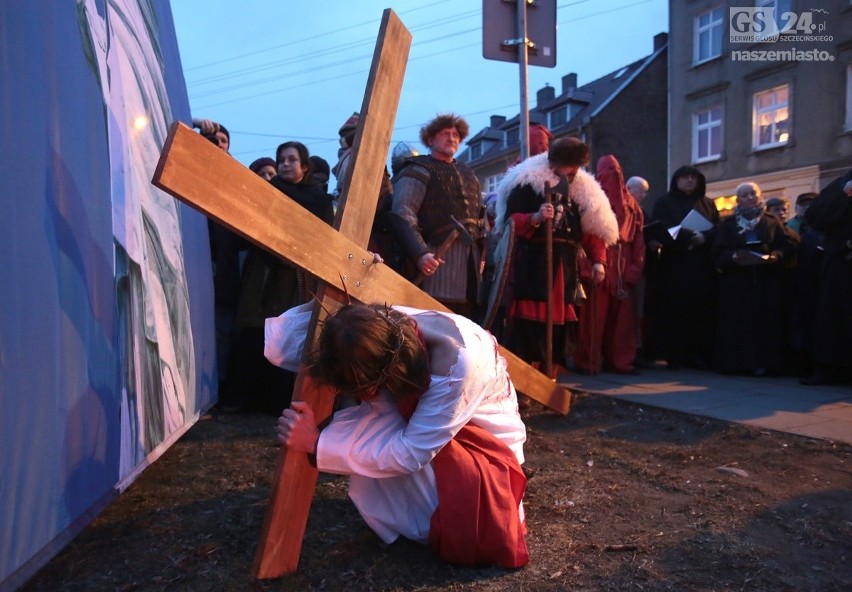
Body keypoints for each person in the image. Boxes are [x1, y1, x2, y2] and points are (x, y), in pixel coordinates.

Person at [267, 301, 529, 568]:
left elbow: (410, 453)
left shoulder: (456, 366)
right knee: (369, 427)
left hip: (482, 454)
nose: (361, 397)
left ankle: (421, 516)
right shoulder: (377, 323)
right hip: (438, 429)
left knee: (372, 432)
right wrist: (325, 290)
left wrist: (316, 442)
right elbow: (282, 344)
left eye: (364, 389)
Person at [219, 142, 333, 414]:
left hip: (296, 277)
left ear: (304, 167)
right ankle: (244, 399)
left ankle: (277, 400)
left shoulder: (318, 200)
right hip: (263, 273)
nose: (285, 164)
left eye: (292, 160)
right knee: (254, 332)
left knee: (286, 334)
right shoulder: (268, 193)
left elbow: (324, 237)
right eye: (281, 159)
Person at [494, 137, 618, 372]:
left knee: (558, 323)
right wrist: (535, 218)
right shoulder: (527, 182)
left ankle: (550, 375)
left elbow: (593, 229)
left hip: (566, 265)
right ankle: (526, 376)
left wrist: (598, 261)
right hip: (534, 263)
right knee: (530, 323)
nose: (567, 172)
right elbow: (510, 222)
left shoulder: (584, 189)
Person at [392, 113, 484, 319]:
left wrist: (482, 254)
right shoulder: (419, 169)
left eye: (455, 135)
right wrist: (420, 254)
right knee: (432, 324)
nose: (452, 138)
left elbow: (481, 219)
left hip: (469, 269)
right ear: (430, 140)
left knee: (465, 329)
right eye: (445, 134)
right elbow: (403, 213)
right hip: (435, 264)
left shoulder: (470, 174)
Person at [711, 182, 799, 376]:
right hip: (737, 281)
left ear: (760, 197)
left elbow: (785, 246)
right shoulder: (727, 223)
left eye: (753, 193)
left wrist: (776, 255)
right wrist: (732, 257)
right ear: (738, 199)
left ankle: (764, 363)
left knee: (765, 322)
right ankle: (737, 363)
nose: (750, 197)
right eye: (745, 195)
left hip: (765, 280)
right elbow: (717, 251)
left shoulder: (772, 221)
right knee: (738, 323)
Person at [573, 155, 645, 375]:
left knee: (622, 321)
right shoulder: (592, 199)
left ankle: (620, 361)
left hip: (622, 265)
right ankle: (589, 361)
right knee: (594, 318)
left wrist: (635, 268)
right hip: (601, 263)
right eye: (608, 173)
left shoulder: (631, 205)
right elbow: (585, 235)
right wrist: (589, 265)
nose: (612, 178)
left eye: (616, 173)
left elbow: (639, 239)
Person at [645, 166, 720, 370]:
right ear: (676, 180)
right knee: (675, 312)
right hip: (674, 265)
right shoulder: (664, 202)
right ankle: (674, 355)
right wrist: (688, 236)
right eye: (685, 177)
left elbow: (718, 229)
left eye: (693, 177)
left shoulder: (708, 204)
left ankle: (698, 355)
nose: (689, 181)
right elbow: (661, 228)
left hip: (701, 266)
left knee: (700, 312)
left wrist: (704, 237)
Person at [800, 170, 852, 385]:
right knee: (833, 316)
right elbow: (815, 216)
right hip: (839, 261)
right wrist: (843, 194)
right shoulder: (840, 184)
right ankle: (829, 368)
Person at [625, 176, 651, 365]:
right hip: (627, 267)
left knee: (638, 312)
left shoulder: (642, 213)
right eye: (640, 190)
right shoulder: (624, 210)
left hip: (640, 267)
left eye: (645, 191)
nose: (643, 195)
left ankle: (637, 349)